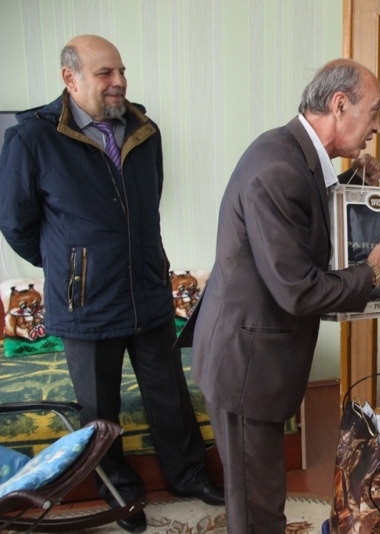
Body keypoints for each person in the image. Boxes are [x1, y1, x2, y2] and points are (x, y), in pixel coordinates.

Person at [0, 35, 224, 533]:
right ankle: (121, 493)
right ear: (70, 78)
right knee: (99, 412)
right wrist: (71, 267)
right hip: (85, 303)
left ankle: (189, 476)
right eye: (105, 73)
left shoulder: (145, 131)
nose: (119, 81)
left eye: (121, 71)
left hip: (147, 290)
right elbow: (16, 223)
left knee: (169, 395)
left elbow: (147, 207)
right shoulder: (32, 138)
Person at [189, 58, 380, 533]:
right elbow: (298, 289)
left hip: (253, 351)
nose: (377, 126)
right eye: (374, 110)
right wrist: (373, 273)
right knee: (257, 510)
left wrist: (354, 183)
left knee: (259, 497)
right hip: (246, 362)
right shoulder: (279, 168)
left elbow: (303, 226)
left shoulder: (295, 155)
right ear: (339, 105)